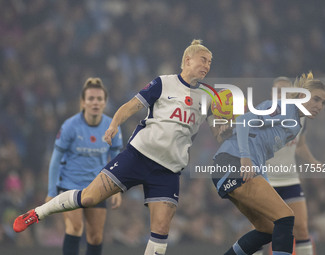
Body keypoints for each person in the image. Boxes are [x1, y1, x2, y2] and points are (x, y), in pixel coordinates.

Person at [13, 39, 214, 255]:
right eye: (203, 60)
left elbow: (221, 126)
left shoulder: (209, 96)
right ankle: (37, 213)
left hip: (169, 170)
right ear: (187, 59)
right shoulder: (163, 83)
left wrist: (229, 120)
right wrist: (113, 125)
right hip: (139, 156)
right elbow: (131, 105)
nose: (207, 65)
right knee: (89, 197)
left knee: (161, 230)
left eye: (210, 62)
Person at [211, 72, 325, 255]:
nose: (319, 106)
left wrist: (262, 178)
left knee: (268, 229)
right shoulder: (282, 107)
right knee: (286, 217)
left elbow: (261, 153)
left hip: (235, 168)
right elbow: (243, 121)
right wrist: (245, 157)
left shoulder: (296, 125)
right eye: (316, 99)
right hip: (233, 164)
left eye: (323, 103)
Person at [45, 77, 123, 255]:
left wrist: (117, 189)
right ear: (83, 102)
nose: (95, 102)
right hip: (69, 185)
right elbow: (56, 158)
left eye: (99, 99)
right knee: (74, 227)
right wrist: (51, 192)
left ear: (104, 102)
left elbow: (117, 158)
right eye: (91, 99)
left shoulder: (112, 127)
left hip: (97, 187)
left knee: (95, 236)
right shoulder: (70, 126)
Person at [264, 76, 321, 255]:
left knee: (302, 228)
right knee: (260, 229)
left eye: (284, 90)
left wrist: (312, 161)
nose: (281, 94)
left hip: (290, 179)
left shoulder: (301, 118)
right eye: (277, 90)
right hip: (266, 180)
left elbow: (300, 145)